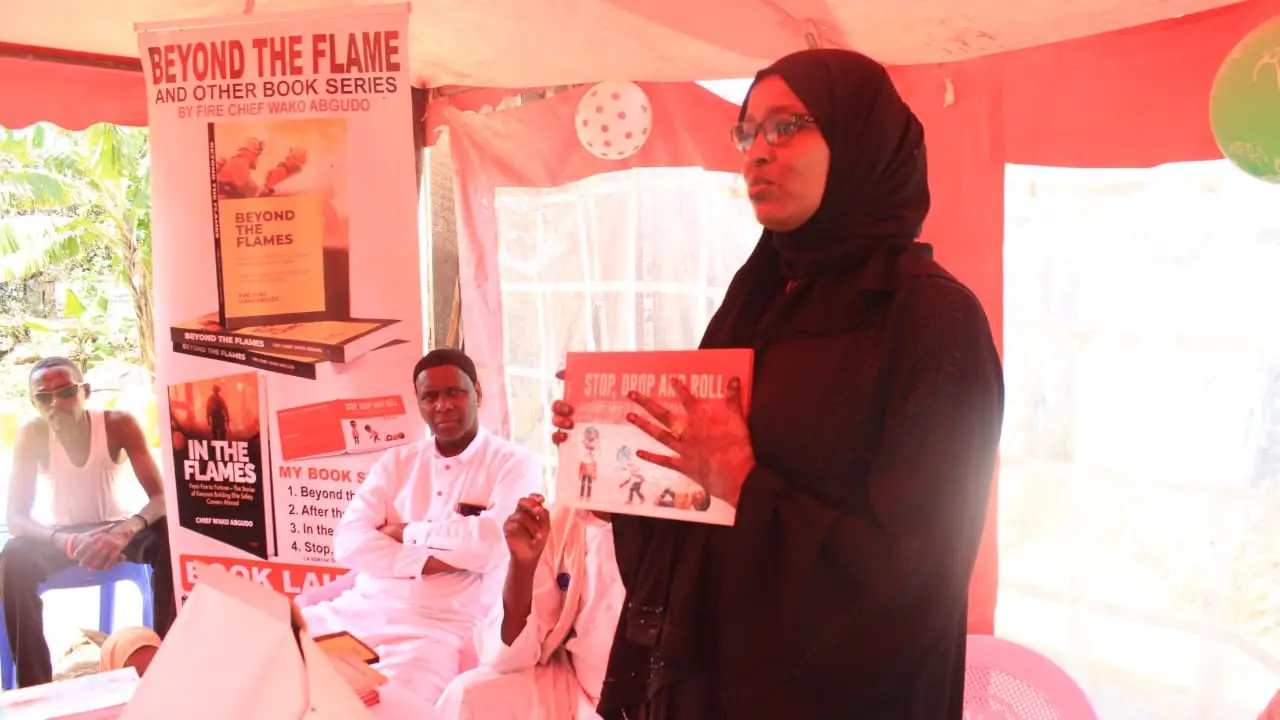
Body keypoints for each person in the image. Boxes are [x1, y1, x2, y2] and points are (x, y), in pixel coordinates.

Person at [551, 49, 1004, 719]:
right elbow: (701, 495)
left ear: (860, 140)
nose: (757, 152)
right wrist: (617, 458)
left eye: (786, 126)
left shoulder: (930, 320)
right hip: (714, 681)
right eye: (747, 131)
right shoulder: (756, 301)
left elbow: (917, 577)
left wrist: (746, 483)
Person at [302, 348, 542, 704]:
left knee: (390, 704)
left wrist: (404, 533)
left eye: (454, 392)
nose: (442, 405)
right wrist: (438, 559)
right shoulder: (397, 462)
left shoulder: (514, 464)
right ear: (419, 403)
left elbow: (494, 546)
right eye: (430, 397)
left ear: (477, 392)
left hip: (436, 629)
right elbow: (349, 543)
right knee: (277, 651)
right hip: (360, 608)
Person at [1, 357, 175, 688]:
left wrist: (126, 530)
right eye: (44, 397)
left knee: (167, 535)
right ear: (34, 404)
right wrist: (62, 540)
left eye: (66, 392)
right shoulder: (32, 434)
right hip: (60, 539)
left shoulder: (118, 424)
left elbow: (161, 498)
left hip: (118, 530)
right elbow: (17, 518)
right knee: (13, 556)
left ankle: (166, 663)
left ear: (86, 392)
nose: (55, 403)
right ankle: (34, 688)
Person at [436, 494, 623, 719]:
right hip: (576, 695)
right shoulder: (563, 521)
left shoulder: (664, 528)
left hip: (653, 703)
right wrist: (522, 565)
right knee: (469, 695)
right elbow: (509, 659)